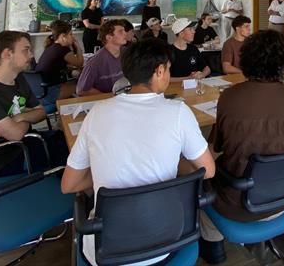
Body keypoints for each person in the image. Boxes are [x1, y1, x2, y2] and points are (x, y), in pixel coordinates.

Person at [62, 38, 216, 266]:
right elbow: (208, 171)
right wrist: (170, 163)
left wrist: (110, 169)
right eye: (168, 70)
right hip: (168, 239)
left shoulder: (97, 113)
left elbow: (69, 185)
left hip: (106, 251)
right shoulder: (178, 112)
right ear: (159, 71)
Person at [199, 30, 284, 264]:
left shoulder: (229, 98)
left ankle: (213, 245)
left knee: (199, 178)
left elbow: (217, 146)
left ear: (247, 60)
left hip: (237, 204)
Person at [0, 31, 68, 174]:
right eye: (26, 50)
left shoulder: (19, 79)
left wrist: (18, 117)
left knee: (69, 140)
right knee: (75, 154)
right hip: (8, 158)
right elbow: (16, 134)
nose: (31, 55)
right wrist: (25, 116)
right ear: (7, 54)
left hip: (28, 142)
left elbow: (41, 112)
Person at [35, 20, 83, 108]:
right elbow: (80, 63)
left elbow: (58, 66)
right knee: (83, 86)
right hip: (51, 92)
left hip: (40, 90)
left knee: (75, 79)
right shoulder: (63, 50)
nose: (73, 37)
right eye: (71, 34)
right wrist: (78, 46)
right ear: (63, 36)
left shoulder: (51, 47)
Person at [76, 19, 127, 95]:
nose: (125, 34)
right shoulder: (95, 62)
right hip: (108, 102)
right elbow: (82, 90)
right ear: (109, 37)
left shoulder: (127, 53)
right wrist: (108, 97)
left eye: (124, 31)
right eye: (120, 31)